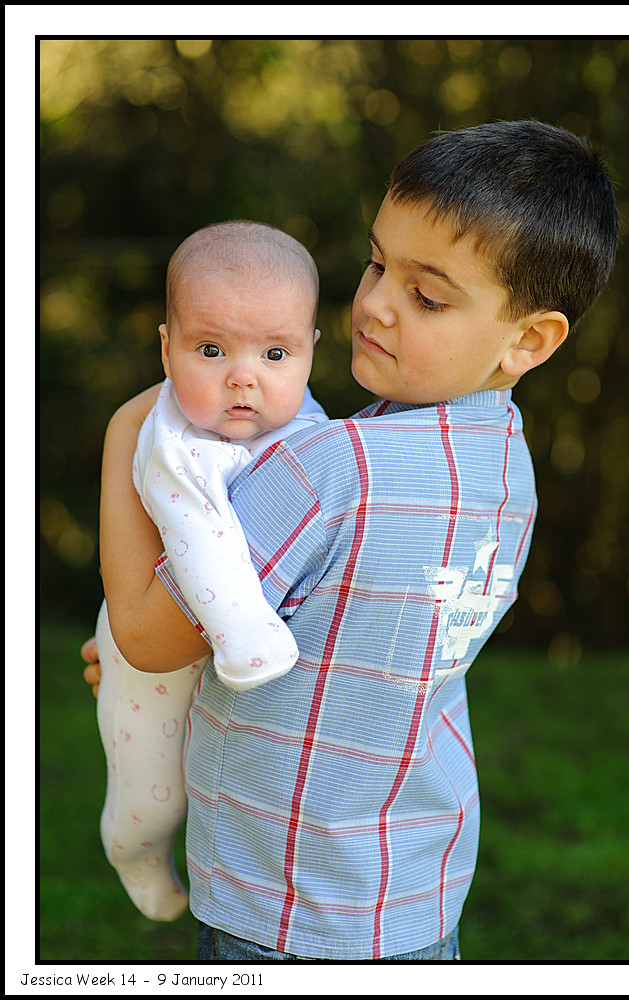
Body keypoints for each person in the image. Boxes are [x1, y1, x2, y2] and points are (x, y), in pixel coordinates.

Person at [83, 121, 619, 960]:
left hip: (280, 896)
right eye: (376, 264)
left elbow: (148, 638)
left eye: (427, 296)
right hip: (413, 889)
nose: (374, 303)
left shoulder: (329, 469)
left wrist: (126, 434)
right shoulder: (508, 471)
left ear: (529, 340)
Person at [93, 221, 326, 921]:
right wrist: (248, 641)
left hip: (254, 678)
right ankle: (130, 849)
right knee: (153, 794)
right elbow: (199, 538)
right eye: (212, 350)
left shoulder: (315, 434)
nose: (243, 377)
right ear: (167, 350)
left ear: (311, 352)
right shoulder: (167, 438)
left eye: (275, 353)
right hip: (158, 659)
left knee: (237, 789)